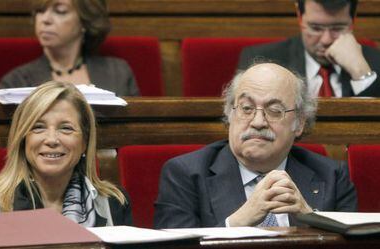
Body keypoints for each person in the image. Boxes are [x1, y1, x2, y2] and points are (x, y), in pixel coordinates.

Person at [154, 63, 357, 228]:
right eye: (247, 108)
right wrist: (237, 223)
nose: (258, 122)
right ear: (230, 113)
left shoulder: (332, 176)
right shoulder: (185, 174)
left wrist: (309, 219)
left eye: (275, 110)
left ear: (299, 123)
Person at [0, 81, 132, 227]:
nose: (52, 140)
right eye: (38, 127)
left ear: (84, 143)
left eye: (66, 128)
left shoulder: (113, 202)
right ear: (24, 139)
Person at [238, 0, 380, 97]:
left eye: (337, 28)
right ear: (300, 17)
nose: (326, 40)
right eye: (315, 28)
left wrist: (361, 73)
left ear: (352, 20)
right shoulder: (262, 60)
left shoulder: (375, 62)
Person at [0, 0, 139, 96]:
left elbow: (136, 131)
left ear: (84, 21)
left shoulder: (118, 73)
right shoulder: (16, 82)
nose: (45, 19)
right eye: (40, 11)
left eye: (60, 11)